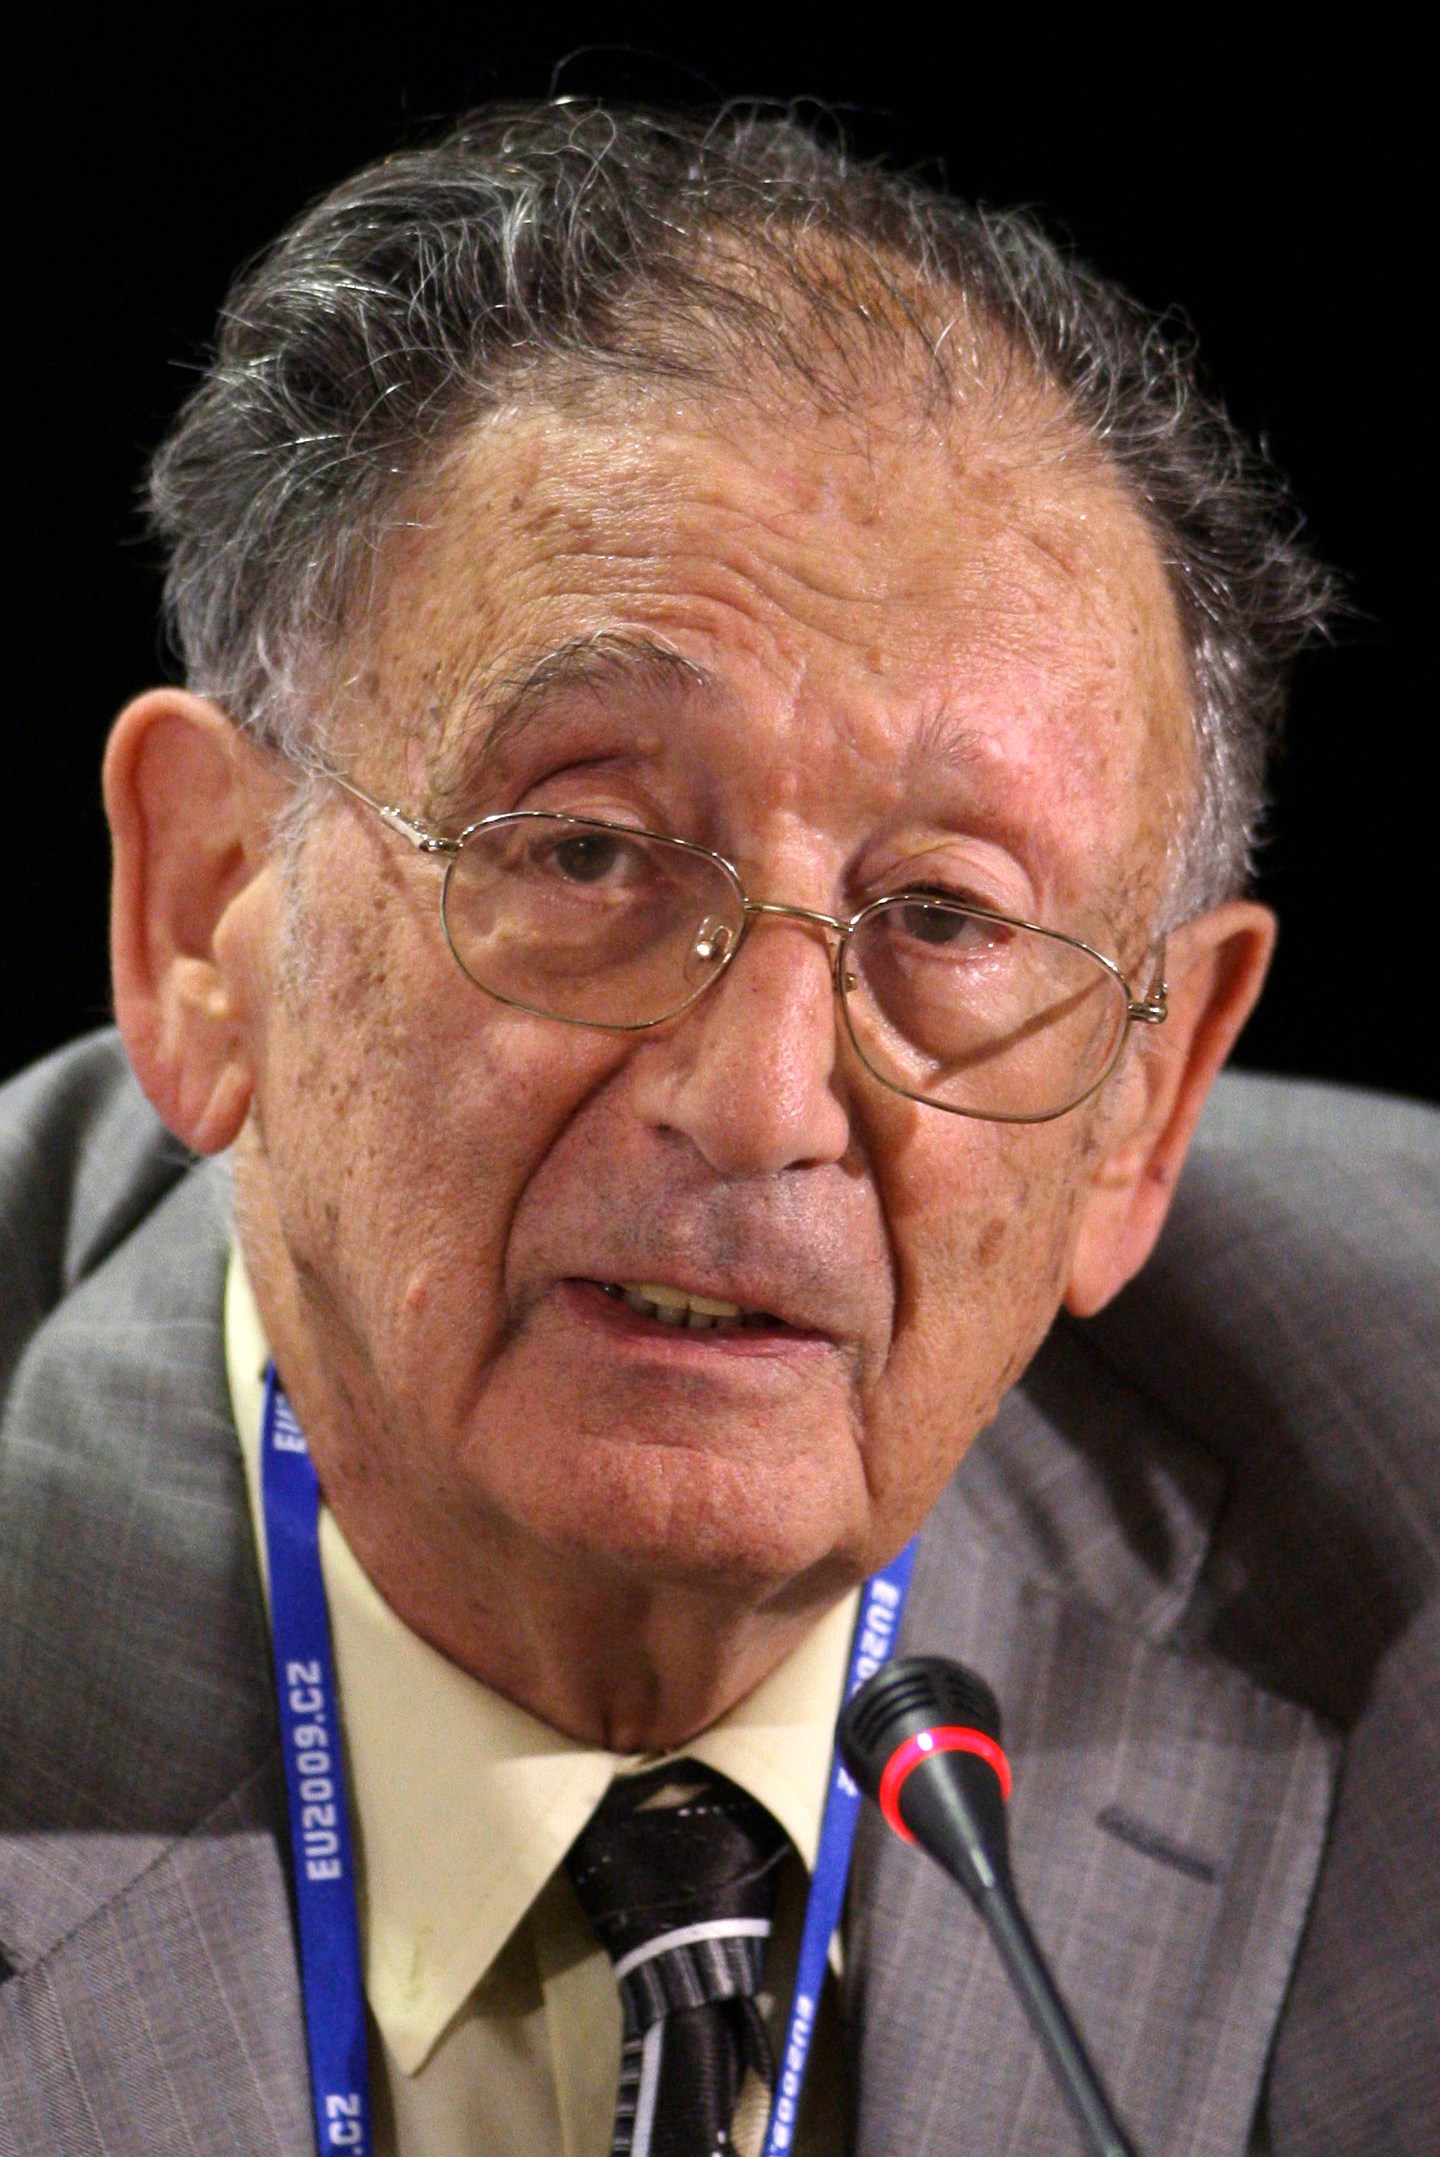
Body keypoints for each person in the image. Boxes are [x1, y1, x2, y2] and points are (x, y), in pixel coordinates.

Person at [0, 102, 1436, 2157]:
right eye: (588, 850)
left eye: (943, 917)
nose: (762, 1099)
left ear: (1143, 1105)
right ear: (205, 915)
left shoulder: (1406, 1531)